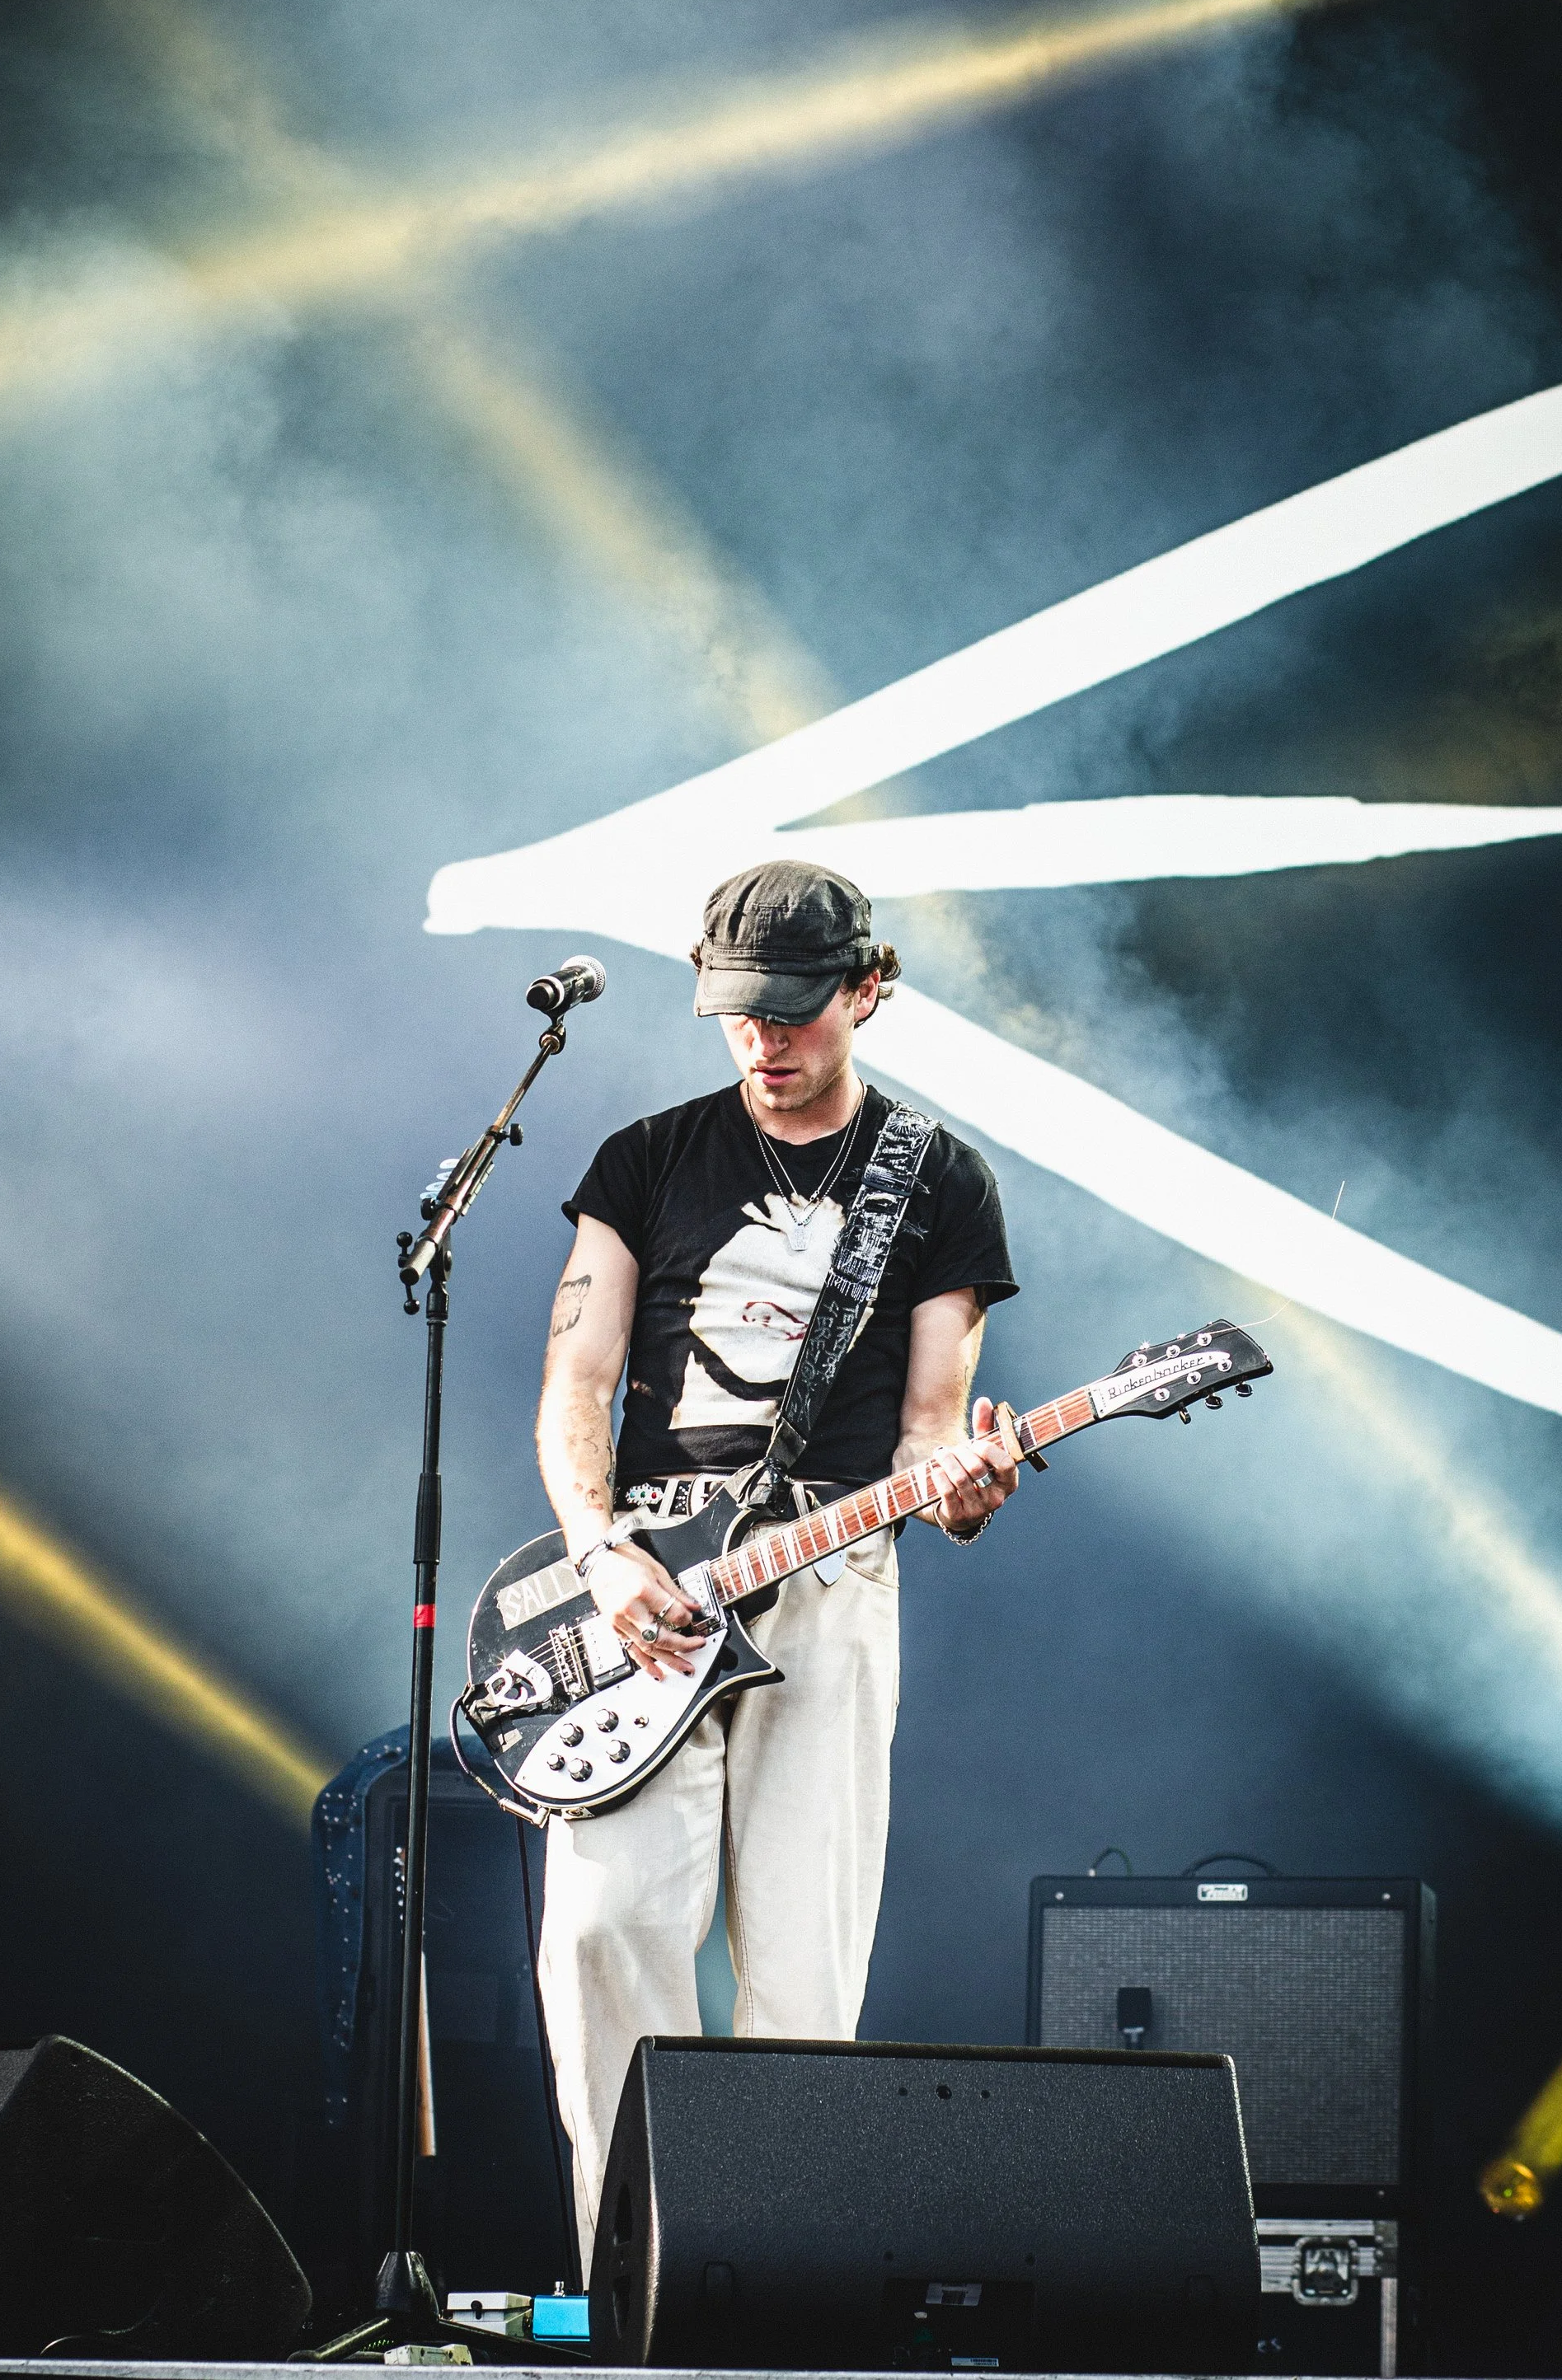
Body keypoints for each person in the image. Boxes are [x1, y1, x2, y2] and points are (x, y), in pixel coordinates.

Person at [533, 859, 1021, 2268]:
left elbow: (932, 1437)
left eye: (796, 1011)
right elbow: (577, 1382)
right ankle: (632, 2282)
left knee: (805, 1963)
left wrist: (966, 1491)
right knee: (603, 1928)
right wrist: (599, 1550)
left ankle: (774, 2288)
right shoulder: (643, 1162)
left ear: (868, 992)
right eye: (741, 1013)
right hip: (651, 1582)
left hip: (829, 1568)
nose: (765, 1040)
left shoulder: (939, 1179)